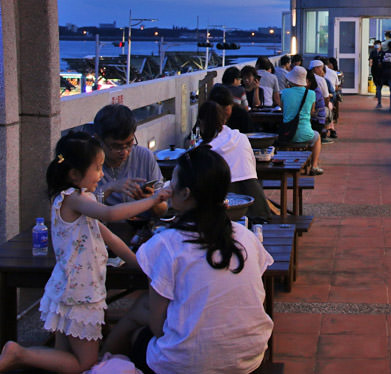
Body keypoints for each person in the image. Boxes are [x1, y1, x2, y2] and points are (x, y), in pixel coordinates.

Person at [0, 132, 170, 374]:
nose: (102, 174)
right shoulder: (72, 199)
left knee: (63, 357)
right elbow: (111, 214)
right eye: (98, 168)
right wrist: (151, 201)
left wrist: (141, 264)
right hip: (81, 293)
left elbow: (109, 237)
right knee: (84, 362)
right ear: (75, 174)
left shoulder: (79, 199)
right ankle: (18, 354)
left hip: (71, 288)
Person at [105, 146, 273, 374]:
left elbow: (158, 328)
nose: (167, 187)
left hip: (185, 365)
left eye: (172, 182)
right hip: (249, 357)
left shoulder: (167, 244)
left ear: (185, 193)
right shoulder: (246, 236)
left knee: (138, 320)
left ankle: (101, 364)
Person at [92, 104, 167, 239]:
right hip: (103, 236)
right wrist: (109, 188)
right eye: (116, 146)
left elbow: (163, 209)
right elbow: (87, 206)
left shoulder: (144, 157)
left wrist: (151, 200)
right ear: (98, 140)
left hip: (142, 233)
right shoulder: (90, 164)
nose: (125, 152)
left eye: (129, 143)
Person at [194, 100, 268, 223]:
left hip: (222, 211)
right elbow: (253, 167)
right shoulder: (241, 138)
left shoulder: (203, 150)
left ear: (201, 123)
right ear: (224, 119)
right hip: (256, 206)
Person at [280, 65, 322, 174]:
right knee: (317, 137)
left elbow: (283, 110)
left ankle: (285, 164)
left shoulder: (284, 92)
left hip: (287, 133)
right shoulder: (311, 94)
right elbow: (312, 111)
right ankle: (314, 166)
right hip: (305, 134)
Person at [308, 59, 333, 141]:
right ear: (316, 69)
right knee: (328, 111)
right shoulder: (321, 80)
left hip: (308, 109)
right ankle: (324, 133)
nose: (322, 71)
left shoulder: (305, 78)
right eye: (321, 68)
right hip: (317, 110)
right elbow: (326, 97)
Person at [374, 40, 391, 111]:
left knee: (379, 88)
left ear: (388, 46)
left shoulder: (383, 53)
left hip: (382, 73)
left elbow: (379, 63)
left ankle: (379, 104)